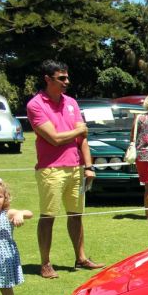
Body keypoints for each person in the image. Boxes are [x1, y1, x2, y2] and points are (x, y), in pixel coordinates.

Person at [26, 59, 103, 279]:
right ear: (48, 79)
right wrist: (79, 130)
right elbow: (55, 139)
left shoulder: (71, 102)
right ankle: (45, 263)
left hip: (76, 168)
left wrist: (89, 166)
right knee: (48, 216)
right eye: (62, 78)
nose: (66, 82)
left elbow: (83, 139)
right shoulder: (35, 105)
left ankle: (81, 258)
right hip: (51, 170)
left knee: (76, 215)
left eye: (67, 77)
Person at [0, 178, 33, 295]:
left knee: (5, 285)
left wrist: (19, 214)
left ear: (5, 199)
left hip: (3, 255)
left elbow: (29, 213)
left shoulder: (7, 213)